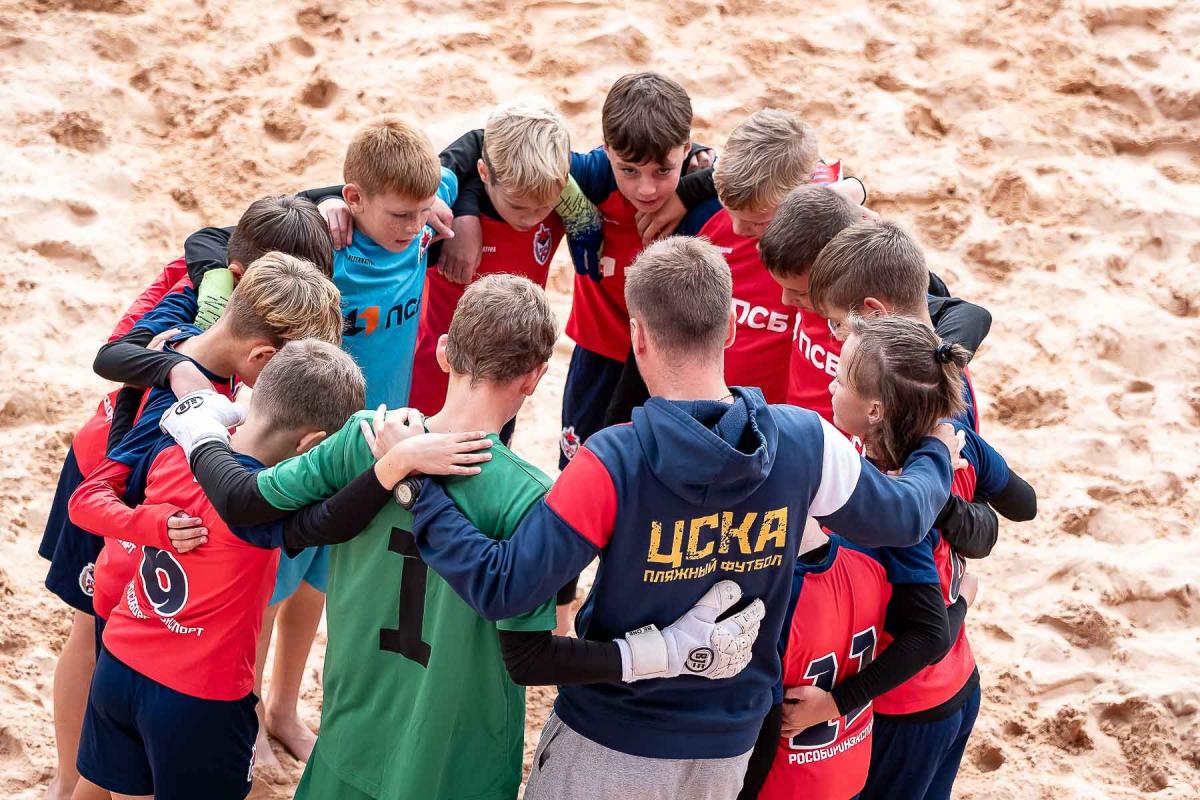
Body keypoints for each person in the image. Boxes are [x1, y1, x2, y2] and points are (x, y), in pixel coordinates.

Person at [154, 274, 754, 800]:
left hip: (351, 737)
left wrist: (200, 425)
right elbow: (532, 655)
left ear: (443, 352)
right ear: (535, 378)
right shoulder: (533, 497)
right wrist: (662, 652)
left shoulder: (367, 436)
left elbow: (252, 505)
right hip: (458, 764)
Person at [404, 236, 961, 800]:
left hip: (610, 739)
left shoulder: (613, 460)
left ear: (638, 336)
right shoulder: (806, 441)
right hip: (727, 748)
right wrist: (937, 445)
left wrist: (418, 490)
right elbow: (907, 515)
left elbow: (504, 588)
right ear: (731, 330)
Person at [36, 196, 333, 800]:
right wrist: (170, 373)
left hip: (145, 505)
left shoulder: (223, 315)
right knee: (92, 637)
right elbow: (113, 374)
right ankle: (68, 783)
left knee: (119, 659)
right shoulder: (188, 337)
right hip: (114, 493)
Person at [817, 315, 1037, 800]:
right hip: (960, 685)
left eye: (840, 377)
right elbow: (1025, 503)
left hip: (905, 710)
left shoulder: (892, 509)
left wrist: (835, 704)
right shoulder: (956, 440)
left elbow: (928, 636)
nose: (830, 383)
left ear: (876, 410)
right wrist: (956, 508)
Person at [761, 199, 991, 432]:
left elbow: (972, 314)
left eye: (837, 323)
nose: (836, 335)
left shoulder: (923, 405)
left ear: (874, 313)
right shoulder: (888, 316)